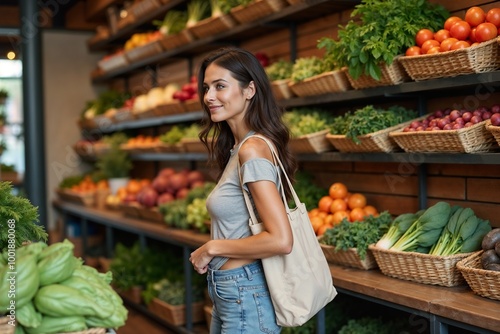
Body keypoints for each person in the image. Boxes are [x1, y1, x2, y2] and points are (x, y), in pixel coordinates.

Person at [189, 46, 298, 333]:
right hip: (233, 290)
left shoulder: (252, 150)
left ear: (249, 90)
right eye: (207, 88)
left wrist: (212, 247)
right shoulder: (240, 148)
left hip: (245, 292)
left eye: (220, 86)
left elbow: (280, 240)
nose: (209, 97)